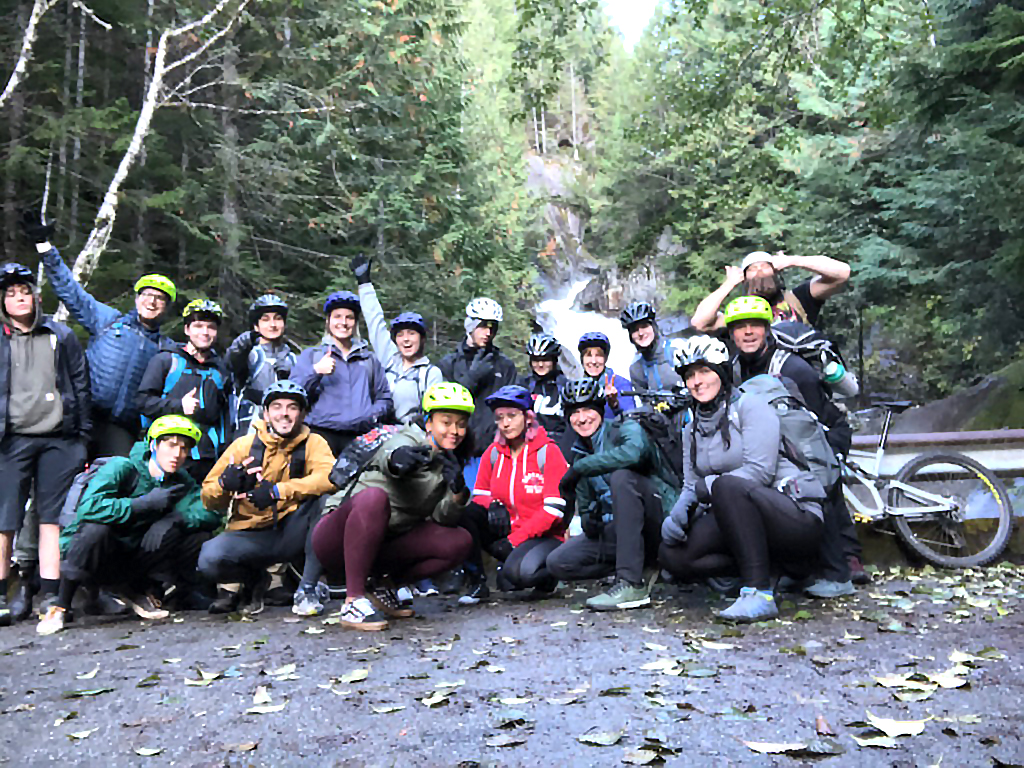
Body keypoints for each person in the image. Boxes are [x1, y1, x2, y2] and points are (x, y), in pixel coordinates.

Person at [658, 336, 825, 622]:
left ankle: (759, 592)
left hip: (794, 515)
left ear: (721, 372)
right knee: (672, 555)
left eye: (704, 371)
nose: (697, 381)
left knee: (726, 485)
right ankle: (767, 567)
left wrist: (706, 488)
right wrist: (676, 518)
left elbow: (759, 472)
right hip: (738, 514)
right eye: (689, 375)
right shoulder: (692, 428)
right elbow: (690, 484)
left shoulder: (752, 407)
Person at [724, 295, 860, 596]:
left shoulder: (794, 368)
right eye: (740, 327)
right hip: (783, 433)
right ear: (731, 334)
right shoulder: (733, 367)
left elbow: (811, 422)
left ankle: (840, 574)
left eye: (755, 326)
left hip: (822, 430)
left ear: (767, 329)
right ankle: (801, 570)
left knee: (815, 483)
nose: (748, 332)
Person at [311, 383, 475, 630]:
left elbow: (443, 519)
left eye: (461, 424)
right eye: (446, 422)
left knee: (459, 540)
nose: (454, 430)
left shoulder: (448, 462)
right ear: (429, 422)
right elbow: (389, 454)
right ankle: (353, 602)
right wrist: (398, 460)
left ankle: (383, 587)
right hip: (337, 541)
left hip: (384, 545)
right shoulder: (407, 437)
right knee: (374, 497)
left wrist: (457, 494)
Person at [36, 416, 220, 635]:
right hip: (95, 554)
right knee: (97, 529)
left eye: (184, 449)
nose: (177, 455)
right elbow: (90, 508)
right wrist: (140, 505)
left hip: (133, 557)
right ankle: (61, 605)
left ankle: (144, 590)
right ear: (154, 445)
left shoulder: (180, 480)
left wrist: (175, 519)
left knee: (196, 535)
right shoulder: (122, 467)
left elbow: (209, 512)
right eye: (171, 445)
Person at [25, 213, 175, 457]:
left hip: (123, 428)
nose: (152, 301)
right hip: (83, 414)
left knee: (113, 482)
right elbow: (70, 291)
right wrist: (44, 246)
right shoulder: (109, 320)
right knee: (64, 476)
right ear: (137, 299)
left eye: (160, 298)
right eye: (147, 295)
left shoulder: (166, 349)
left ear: (166, 307)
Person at [198, 380, 337, 616]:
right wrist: (224, 484)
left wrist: (278, 491)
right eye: (277, 407)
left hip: (292, 531)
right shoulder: (243, 445)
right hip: (250, 533)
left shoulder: (314, 443)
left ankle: (307, 589)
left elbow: (330, 479)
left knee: (325, 502)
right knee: (209, 560)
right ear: (266, 413)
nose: (284, 414)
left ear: (302, 413)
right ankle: (255, 579)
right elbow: (208, 499)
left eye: (292, 407)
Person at [0, 264, 89, 625]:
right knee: (5, 520)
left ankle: (51, 595)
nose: (18, 299)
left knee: (53, 519)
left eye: (24, 292)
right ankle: (4, 595)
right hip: (10, 439)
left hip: (60, 440)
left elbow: (81, 385)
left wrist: (82, 437)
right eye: (10, 294)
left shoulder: (61, 335)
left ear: (36, 296)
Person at [546, 378, 679, 611]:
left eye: (588, 409)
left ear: (600, 409)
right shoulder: (579, 454)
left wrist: (579, 469)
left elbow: (633, 454)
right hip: (620, 532)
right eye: (574, 412)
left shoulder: (624, 427)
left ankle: (631, 583)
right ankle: (641, 565)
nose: (583, 418)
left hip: (659, 519)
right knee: (558, 562)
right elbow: (586, 518)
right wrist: (592, 519)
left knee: (622, 477)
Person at [457, 385, 569, 604]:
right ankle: (477, 583)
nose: (505, 423)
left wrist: (514, 540)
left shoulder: (547, 451)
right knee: (467, 514)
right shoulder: (494, 452)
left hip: (543, 537)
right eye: (500, 418)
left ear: (527, 417)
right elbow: (479, 494)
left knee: (521, 575)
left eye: (511, 416)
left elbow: (553, 510)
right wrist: (493, 504)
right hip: (508, 534)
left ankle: (552, 574)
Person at [137, 299, 231, 484]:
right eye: (198, 326)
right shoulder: (166, 360)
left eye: (211, 327)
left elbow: (225, 416)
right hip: (167, 453)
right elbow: (142, 401)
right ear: (187, 329)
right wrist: (179, 406)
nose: (205, 332)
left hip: (206, 457)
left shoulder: (220, 370)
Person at [290, 290, 393, 456]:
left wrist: (372, 415)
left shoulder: (368, 359)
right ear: (328, 321)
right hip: (320, 435)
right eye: (337, 316)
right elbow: (292, 395)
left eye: (349, 317)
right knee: (321, 481)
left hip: (360, 436)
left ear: (355, 322)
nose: (343, 322)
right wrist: (316, 371)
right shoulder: (312, 355)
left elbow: (384, 397)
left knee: (360, 482)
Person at [351, 254, 442, 425]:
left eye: (411, 334)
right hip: (380, 431)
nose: (406, 340)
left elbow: (436, 415)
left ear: (422, 339)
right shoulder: (390, 360)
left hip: (411, 437)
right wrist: (364, 283)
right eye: (400, 335)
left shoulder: (430, 373)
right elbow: (375, 322)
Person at [438, 298, 517, 488]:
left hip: (494, 453)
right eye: (482, 326)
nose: (488, 332)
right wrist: (472, 377)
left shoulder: (504, 366)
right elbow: (444, 406)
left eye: (493, 327)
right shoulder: (449, 364)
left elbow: (515, 410)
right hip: (456, 452)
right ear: (470, 325)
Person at [690, 250, 851, 332]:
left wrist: (793, 260)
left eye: (765, 266)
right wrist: (728, 284)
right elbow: (700, 322)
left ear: (776, 272)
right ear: (744, 279)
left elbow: (842, 272)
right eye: (752, 269)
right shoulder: (738, 313)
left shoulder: (799, 298)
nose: (759, 271)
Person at [226, 294, 297, 438]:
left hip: (283, 425)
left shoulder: (292, 358)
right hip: (250, 424)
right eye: (265, 319)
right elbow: (230, 364)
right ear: (256, 326)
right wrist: (240, 346)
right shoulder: (248, 352)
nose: (272, 324)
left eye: (278, 318)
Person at [620, 301, 681, 393]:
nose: (640, 333)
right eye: (635, 330)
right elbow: (646, 403)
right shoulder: (636, 368)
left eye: (644, 326)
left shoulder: (677, 350)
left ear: (654, 327)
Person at [519, 332, 568, 444]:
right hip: (528, 447)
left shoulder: (566, 387)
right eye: (536, 360)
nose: (540, 364)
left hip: (558, 448)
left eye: (545, 359)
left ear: (554, 360)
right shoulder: (523, 386)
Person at [577, 332, 637, 418]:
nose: (593, 361)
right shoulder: (576, 386)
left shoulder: (621, 384)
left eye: (598, 355)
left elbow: (631, 420)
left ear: (605, 358)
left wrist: (615, 404)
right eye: (588, 355)